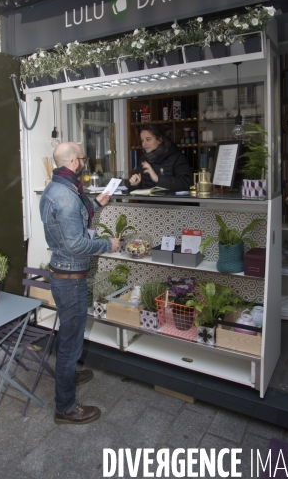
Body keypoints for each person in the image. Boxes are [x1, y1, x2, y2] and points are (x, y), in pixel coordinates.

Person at [40, 142, 119, 425]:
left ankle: (69, 373)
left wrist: (97, 204)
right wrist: (108, 244)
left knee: (68, 334)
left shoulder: (56, 188)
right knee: (71, 343)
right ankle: (65, 408)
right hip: (70, 278)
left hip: (62, 273)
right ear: (75, 162)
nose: (84, 162)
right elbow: (75, 243)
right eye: (83, 158)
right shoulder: (67, 195)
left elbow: (73, 220)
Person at [129, 125, 193, 192]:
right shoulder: (144, 159)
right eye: (142, 140)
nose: (144, 144)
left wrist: (158, 179)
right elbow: (139, 187)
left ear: (159, 140)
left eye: (148, 139)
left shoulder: (177, 157)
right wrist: (135, 184)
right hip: (148, 202)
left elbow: (187, 183)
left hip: (171, 202)